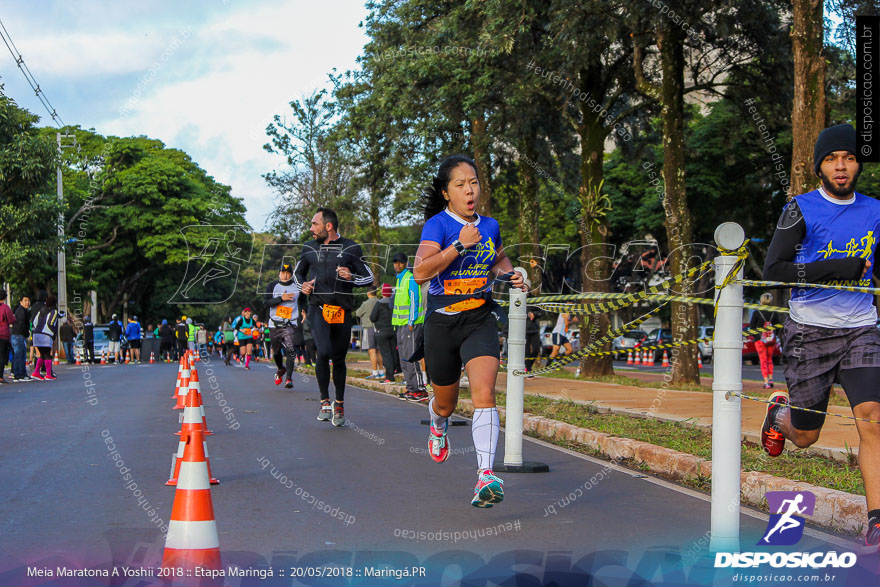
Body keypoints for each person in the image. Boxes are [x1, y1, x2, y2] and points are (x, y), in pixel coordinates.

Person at [760, 123, 880, 546]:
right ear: (820, 167)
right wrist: (835, 269)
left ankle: (877, 521)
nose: (842, 166)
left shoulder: (876, 210)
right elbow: (772, 270)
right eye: (832, 159)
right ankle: (779, 416)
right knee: (807, 436)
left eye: (848, 157)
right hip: (809, 329)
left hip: (861, 328)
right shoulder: (800, 208)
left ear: (858, 163)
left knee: (873, 421)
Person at [413, 154, 527, 508]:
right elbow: (420, 272)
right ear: (447, 193)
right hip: (442, 323)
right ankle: (438, 422)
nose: (469, 190)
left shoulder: (489, 225)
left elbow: (497, 258)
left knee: (484, 393)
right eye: (460, 184)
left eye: (473, 182)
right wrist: (459, 244)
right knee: (446, 405)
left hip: (479, 319)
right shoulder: (438, 225)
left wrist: (511, 275)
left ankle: (485, 475)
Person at [293, 207, 374, 426]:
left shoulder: (351, 248)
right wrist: (304, 286)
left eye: (314, 224)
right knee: (324, 352)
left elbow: (369, 277)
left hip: (342, 311)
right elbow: (298, 274)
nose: (311, 229)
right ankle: (324, 401)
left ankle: (339, 403)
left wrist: (351, 276)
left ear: (328, 226)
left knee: (338, 358)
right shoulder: (309, 248)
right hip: (318, 309)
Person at [392, 251, 428, 402]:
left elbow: (415, 299)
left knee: (411, 357)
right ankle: (410, 388)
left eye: (400, 262)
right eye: (395, 262)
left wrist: (411, 321)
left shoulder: (410, 278)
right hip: (400, 325)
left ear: (406, 263)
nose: (397, 265)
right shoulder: (399, 279)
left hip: (410, 324)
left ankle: (419, 389)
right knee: (404, 359)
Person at [266, 262, 304, 389]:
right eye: (283, 273)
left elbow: (303, 301)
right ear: (279, 274)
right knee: (276, 352)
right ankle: (280, 368)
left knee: (290, 350)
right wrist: (281, 298)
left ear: (292, 275)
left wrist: (304, 311)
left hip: (290, 323)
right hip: (275, 324)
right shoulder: (272, 286)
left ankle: (288, 378)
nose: (285, 275)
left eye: (288, 273)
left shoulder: (297, 287)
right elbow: (266, 303)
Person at [749, 293, 782, 389]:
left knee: (763, 361)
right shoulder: (773, 312)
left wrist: (756, 336)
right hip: (771, 339)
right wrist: (774, 334)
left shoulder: (756, 312)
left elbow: (752, 327)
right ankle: (771, 379)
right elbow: (778, 326)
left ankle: (766, 382)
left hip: (760, 340)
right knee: (769, 360)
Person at [370, 283, 397, 387]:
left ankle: (390, 377)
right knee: (394, 352)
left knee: (386, 354)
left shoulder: (379, 303)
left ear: (383, 292)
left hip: (382, 332)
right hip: (393, 330)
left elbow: (372, 317)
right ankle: (396, 370)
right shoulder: (394, 303)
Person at [355, 286, 383, 380]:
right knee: (379, 350)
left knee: (372, 350)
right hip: (379, 328)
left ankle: (374, 372)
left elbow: (358, 313)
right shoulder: (380, 301)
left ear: (368, 293)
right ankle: (381, 371)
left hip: (369, 328)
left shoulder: (366, 303)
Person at [31, 295, 60, 380]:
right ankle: (48, 374)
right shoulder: (54, 311)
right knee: (47, 354)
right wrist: (52, 333)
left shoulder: (41, 310)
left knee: (42, 354)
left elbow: (35, 322)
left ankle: (36, 372)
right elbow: (51, 323)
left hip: (36, 333)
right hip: (46, 334)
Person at [10, 294, 31, 381]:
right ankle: (19, 374)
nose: (27, 303)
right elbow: (22, 324)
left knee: (19, 355)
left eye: (28, 301)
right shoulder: (21, 311)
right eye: (25, 301)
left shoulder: (22, 311)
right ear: (21, 302)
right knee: (19, 355)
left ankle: (19, 374)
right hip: (18, 335)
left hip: (18, 335)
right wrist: (26, 333)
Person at [0, 291, 14, 384]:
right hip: (3, 334)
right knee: (1, 356)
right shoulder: (5, 308)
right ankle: (0, 377)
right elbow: (11, 319)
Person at [525, 308, 542, 377]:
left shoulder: (534, 300)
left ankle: (527, 366)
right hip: (523, 329)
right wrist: (528, 314)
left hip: (534, 330)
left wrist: (534, 314)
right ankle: (529, 370)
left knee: (536, 349)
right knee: (527, 351)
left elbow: (541, 312)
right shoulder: (519, 299)